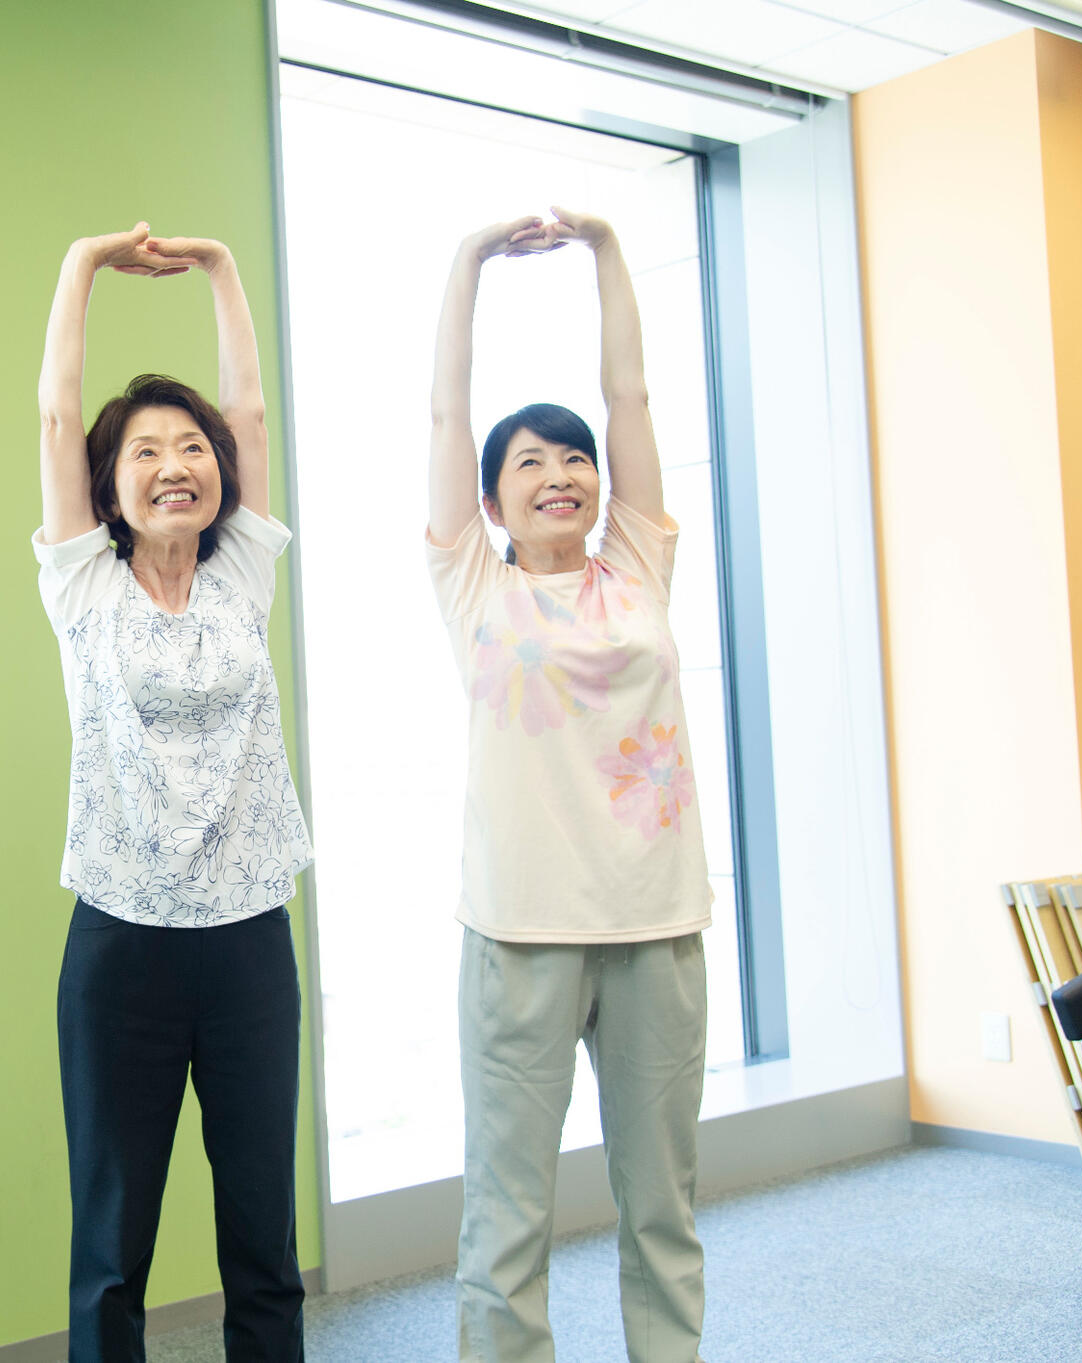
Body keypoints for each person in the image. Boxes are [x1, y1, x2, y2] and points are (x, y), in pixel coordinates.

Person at [424, 209, 712, 1363]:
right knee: (507, 1220)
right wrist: (468, 263)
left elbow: (630, 395)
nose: (558, 473)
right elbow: (447, 409)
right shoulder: (472, 585)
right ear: (489, 504)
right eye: (528, 463)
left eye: (571, 456)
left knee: (663, 1209)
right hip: (520, 932)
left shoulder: (638, 564)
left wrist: (602, 248)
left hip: (656, 924)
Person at [34, 223, 313, 1363]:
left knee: (260, 1233)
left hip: (248, 941)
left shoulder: (241, 568)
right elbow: (55, 418)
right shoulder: (82, 586)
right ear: (108, 481)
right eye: (144, 450)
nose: (174, 465)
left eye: (189, 447)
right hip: (121, 950)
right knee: (112, 1244)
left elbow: (249, 412)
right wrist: (79, 268)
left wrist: (220, 271)